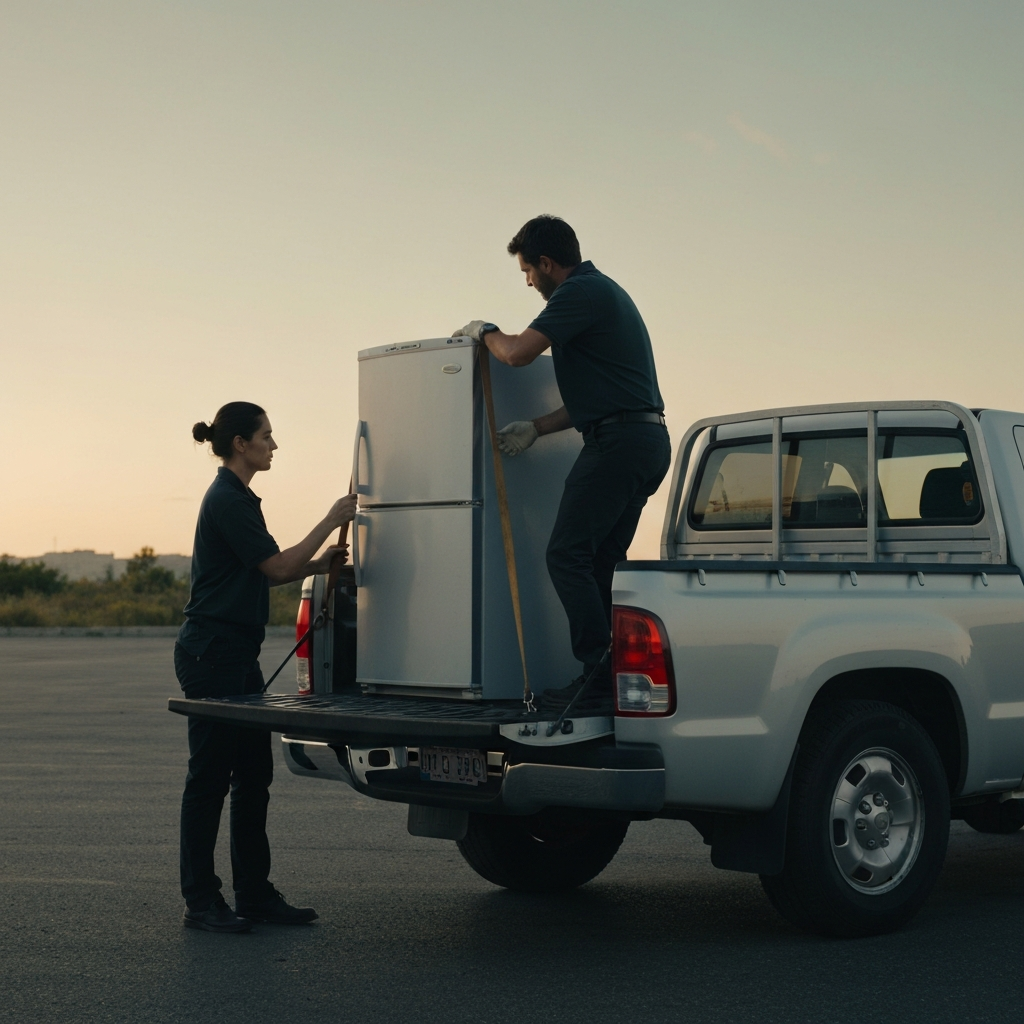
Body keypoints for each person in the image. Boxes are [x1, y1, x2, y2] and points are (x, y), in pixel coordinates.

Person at [454, 215, 671, 714]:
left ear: (548, 264)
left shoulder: (577, 293)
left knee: (565, 555)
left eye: (528, 271)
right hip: (643, 439)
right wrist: (536, 427)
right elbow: (600, 399)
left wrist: (484, 331)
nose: (528, 282)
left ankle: (596, 673)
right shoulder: (602, 294)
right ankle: (613, 675)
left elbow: (516, 354)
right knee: (597, 564)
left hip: (618, 445)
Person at [176, 401, 356, 933]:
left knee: (253, 776)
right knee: (209, 780)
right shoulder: (229, 500)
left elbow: (264, 573)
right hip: (213, 653)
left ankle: (253, 893)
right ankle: (202, 903)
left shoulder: (239, 498)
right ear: (241, 444)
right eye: (267, 436)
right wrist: (330, 521)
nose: (274, 445)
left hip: (234, 654)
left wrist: (321, 564)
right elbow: (277, 565)